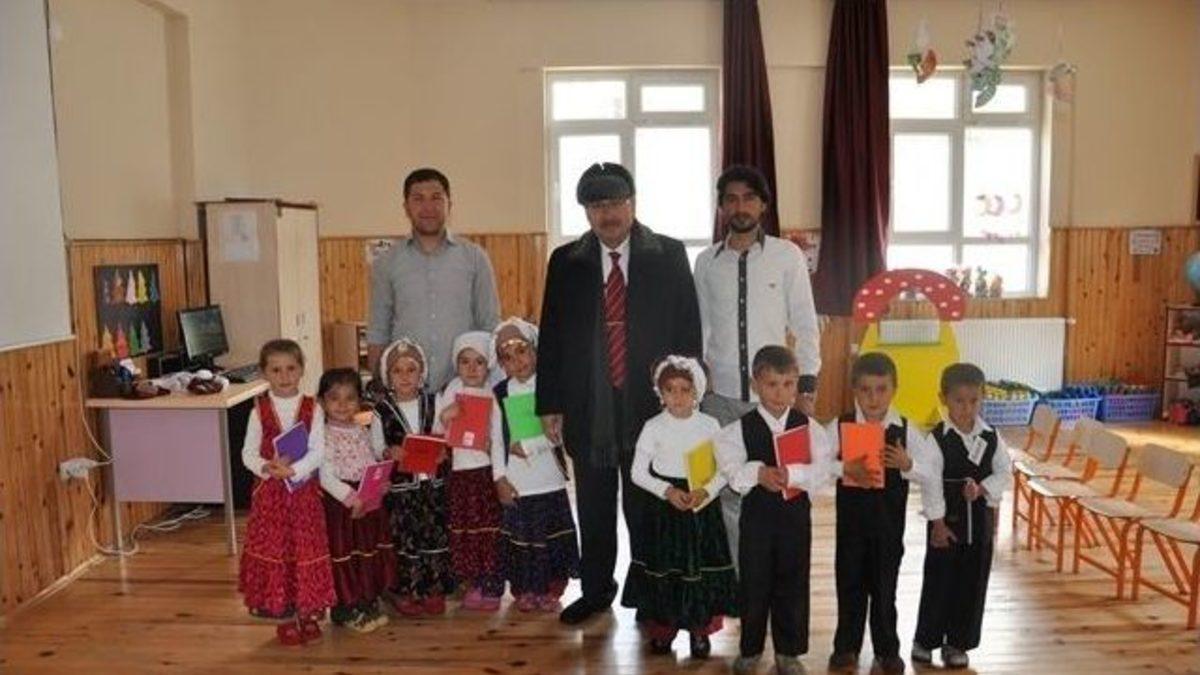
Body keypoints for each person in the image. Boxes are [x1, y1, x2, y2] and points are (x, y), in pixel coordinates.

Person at [536, 162, 702, 625]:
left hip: (649, 401)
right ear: (586, 212)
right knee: (592, 505)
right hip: (588, 402)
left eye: (615, 203)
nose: (607, 214)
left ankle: (650, 592)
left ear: (632, 204)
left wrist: (686, 392)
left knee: (645, 503)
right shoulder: (565, 261)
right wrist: (549, 403)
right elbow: (551, 335)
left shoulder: (668, 254)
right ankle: (595, 590)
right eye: (596, 206)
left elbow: (688, 326)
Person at [693, 165, 821, 571]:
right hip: (721, 399)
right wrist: (698, 388)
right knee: (729, 491)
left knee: (779, 489)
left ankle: (774, 577)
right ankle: (739, 579)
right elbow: (700, 328)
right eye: (731, 199)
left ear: (763, 204)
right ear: (721, 207)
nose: (740, 206)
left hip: (775, 401)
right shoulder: (706, 262)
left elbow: (805, 323)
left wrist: (807, 386)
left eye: (749, 197)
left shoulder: (787, 256)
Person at [714, 346, 869, 675]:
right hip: (756, 522)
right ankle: (751, 649)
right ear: (755, 385)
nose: (780, 393)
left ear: (797, 385)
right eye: (771, 384)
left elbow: (822, 471)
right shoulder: (738, 429)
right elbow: (731, 470)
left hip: (795, 521)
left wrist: (794, 474)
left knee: (793, 582)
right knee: (754, 583)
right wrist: (758, 473)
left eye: (788, 384)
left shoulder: (808, 427)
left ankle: (788, 651)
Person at [620, 356, 737, 660]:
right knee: (666, 569)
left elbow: (725, 469)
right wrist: (667, 491)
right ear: (660, 393)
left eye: (685, 389)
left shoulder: (710, 425)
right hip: (665, 510)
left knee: (698, 569)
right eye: (670, 389)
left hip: (701, 509)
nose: (678, 396)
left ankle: (700, 631)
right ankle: (664, 630)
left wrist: (706, 491)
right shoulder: (653, 427)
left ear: (696, 391)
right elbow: (637, 473)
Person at [826, 353, 934, 674]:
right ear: (854, 390)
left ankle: (887, 650)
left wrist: (907, 464)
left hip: (888, 529)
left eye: (881, 389)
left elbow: (931, 470)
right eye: (865, 390)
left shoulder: (905, 429)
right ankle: (846, 646)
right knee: (849, 586)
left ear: (894, 389)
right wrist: (842, 467)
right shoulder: (840, 426)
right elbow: (817, 464)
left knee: (885, 590)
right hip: (850, 529)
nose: (873, 398)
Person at [912, 362, 1013, 669]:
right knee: (939, 582)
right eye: (959, 401)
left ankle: (958, 642)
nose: (967, 408)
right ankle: (926, 640)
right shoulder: (936, 439)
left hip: (979, 526)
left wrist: (982, 488)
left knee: (972, 583)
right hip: (947, 525)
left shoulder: (991, 437)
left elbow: (1005, 472)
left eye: (974, 400)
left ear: (983, 398)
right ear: (943, 399)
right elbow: (930, 483)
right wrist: (938, 524)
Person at [238, 339, 336, 646]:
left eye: (291, 368)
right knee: (278, 552)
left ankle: (308, 613)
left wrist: (295, 470)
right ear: (264, 373)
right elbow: (247, 453)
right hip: (271, 497)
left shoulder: (313, 408)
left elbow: (319, 451)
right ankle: (284, 616)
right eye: (276, 370)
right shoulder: (259, 411)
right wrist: (266, 467)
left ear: (302, 370)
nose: (284, 376)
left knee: (304, 550)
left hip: (304, 494)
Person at [366, 167, 501, 389]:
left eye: (436, 198)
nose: (428, 207)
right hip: (407, 392)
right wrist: (379, 387)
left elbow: (490, 325)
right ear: (406, 207)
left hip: (465, 388)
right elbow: (378, 330)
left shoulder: (475, 257)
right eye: (418, 199)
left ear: (450, 204)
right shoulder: (387, 263)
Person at [489, 317, 580, 613]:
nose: (517, 361)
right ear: (501, 364)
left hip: (549, 478)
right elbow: (496, 440)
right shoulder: (500, 393)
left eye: (522, 351)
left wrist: (529, 446)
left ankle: (552, 588)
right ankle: (525, 588)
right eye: (508, 357)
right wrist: (500, 478)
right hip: (518, 482)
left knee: (551, 537)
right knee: (524, 540)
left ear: (535, 350)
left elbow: (557, 432)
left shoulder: (550, 387)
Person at [373, 337, 453, 616]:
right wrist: (388, 452)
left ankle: (434, 588)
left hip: (432, 485)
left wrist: (443, 450)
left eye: (411, 370)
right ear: (388, 377)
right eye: (398, 371)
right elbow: (375, 446)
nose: (405, 376)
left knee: (435, 534)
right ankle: (407, 590)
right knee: (405, 538)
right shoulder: (381, 411)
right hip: (402, 490)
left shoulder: (434, 402)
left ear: (422, 375)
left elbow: (444, 434)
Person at [315, 367, 394, 633]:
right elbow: (323, 474)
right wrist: (350, 498)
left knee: (365, 549)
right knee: (344, 553)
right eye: (334, 398)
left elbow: (370, 461)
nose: (342, 404)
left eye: (350, 398)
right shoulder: (322, 434)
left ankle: (365, 599)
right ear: (322, 401)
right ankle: (345, 607)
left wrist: (380, 484)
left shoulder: (362, 429)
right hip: (341, 504)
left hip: (366, 500)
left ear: (360, 401)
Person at [437, 331, 505, 611]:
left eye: (479, 362)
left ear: (488, 365)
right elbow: (437, 434)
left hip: (483, 475)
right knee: (465, 531)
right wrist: (445, 417)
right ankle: (472, 582)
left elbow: (499, 438)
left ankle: (492, 586)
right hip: (458, 476)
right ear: (457, 364)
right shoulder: (450, 392)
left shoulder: (491, 394)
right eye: (465, 361)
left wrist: (497, 468)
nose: (472, 368)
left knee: (487, 531)